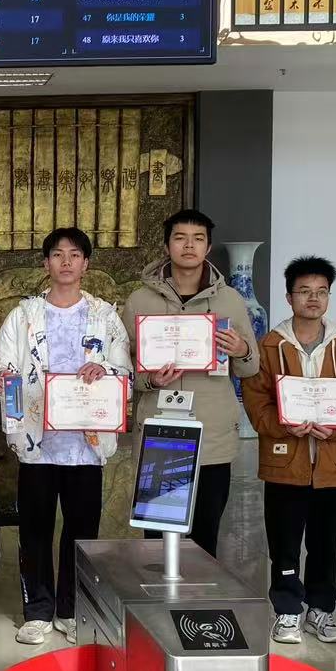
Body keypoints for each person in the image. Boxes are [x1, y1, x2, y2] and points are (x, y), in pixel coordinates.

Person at [0, 227, 133, 645]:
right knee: (35, 530)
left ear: (86, 264)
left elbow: (125, 373)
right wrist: (1, 383)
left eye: (74, 255)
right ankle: (37, 611)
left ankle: (72, 610)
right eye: (57, 254)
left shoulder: (105, 317)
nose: (66, 262)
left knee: (81, 532)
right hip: (38, 446)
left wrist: (104, 370)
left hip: (85, 447)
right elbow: (2, 368)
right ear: (46, 263)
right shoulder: (24, 316)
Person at [241, 257, 336, 645]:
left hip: (332, 463)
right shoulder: (269, 347)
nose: (313, 299)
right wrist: (283, 424)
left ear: (329, 297)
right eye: (304, 291)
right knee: (284, 542)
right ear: (289, 297)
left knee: (325, 543)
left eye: (321, 292)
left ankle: (321, 610)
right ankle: (287, 610)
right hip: (285, 461)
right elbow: (256, 400)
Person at [121, 209, 261, 556]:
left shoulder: (230, 300)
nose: (189, 246)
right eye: (180, 238)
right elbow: (122, 371)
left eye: (198, 239)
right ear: (167, 245)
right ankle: (160, 592)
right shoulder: (140, 301)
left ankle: (200, 593)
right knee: (158, 539)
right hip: (160, 433)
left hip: (212, 433)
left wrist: (242, 349)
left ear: (208, 247)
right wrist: (150, 379)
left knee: (204, 538)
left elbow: (251, 368)